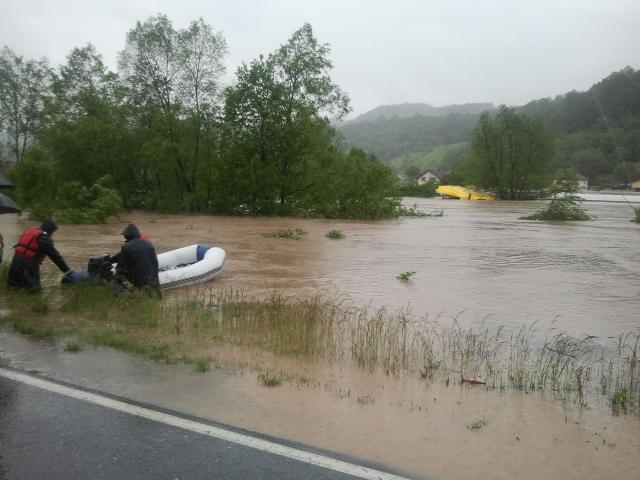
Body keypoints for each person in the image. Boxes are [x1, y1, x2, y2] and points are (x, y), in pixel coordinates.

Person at [7, 219, 71, 292]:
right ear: (51, 230)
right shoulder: (44, 238)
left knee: (13, 287)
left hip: (16, 261)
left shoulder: (31, 231)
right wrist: (66, 270)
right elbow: (55, 256)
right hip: (28, 264)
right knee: (34, 290)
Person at [114, 223, 160, 295]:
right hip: (154, 281)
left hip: (139, 283)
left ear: (127, 235)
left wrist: (120, 277)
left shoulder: (126, 247)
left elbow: (120, 267)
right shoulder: (148, 244)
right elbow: (155, 263)